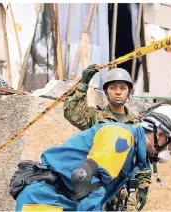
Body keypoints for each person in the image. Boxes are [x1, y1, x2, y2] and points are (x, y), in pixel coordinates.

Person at [10, 104, 171, 211]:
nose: (168, 152)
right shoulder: (122, 138)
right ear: (160, 134)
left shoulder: (132, 156)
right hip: (45, 200)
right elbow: (84, 180)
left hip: (58, 201)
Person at [63, 65, 150, 211]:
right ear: (105, 91)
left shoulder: (137, 125)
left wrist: (143, 188)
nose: (117, 92)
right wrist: (83, 83)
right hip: (98, 188)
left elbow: (143, 158)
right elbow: (71, 111)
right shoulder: (95, 118)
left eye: (123, 88)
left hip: (125, 192)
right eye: (113, 88)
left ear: (129, 92)